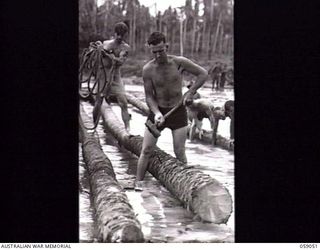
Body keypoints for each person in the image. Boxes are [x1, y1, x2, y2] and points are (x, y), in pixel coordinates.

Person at [135, 32, 208, 191]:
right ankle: (138, 184)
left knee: (180, 151)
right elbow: (149, 96)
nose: (158, 54)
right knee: (146, 150)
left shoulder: (179, 62)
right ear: (150, 50)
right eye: (154, 52)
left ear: (166, 46)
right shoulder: (148, 69)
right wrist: (156, 113)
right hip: (158, 111)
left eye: (161, 50)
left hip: (178, 110)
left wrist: (190, 92)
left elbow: (203, 74)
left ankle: (186, 186)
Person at [93, 22, 131, 130]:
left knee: (123, 102)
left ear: (125, 35)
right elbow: (97, 59)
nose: (119, 37)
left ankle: (127, 129)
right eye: (117, 34)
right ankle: (93, 128)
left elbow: (119, 62)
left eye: (122, 35)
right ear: (114, 33)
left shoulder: (125, 48)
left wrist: (108, 54)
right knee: (98, 102)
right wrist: (99, 51)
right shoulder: (105, 44)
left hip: (115, 76)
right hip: (103, 77)